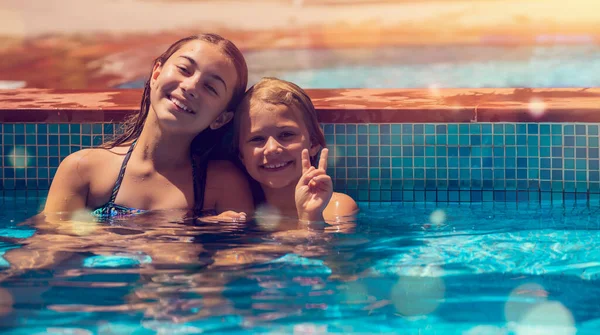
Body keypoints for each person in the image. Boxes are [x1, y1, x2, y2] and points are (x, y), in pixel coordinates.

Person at [43, 34, 253, 220]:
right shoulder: (84, 170)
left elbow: (240, 259)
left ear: (221, 119)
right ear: (156, 74)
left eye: (210, 87)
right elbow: (50, 251)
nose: (190, 87)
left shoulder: (223, 185)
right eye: (184, 69)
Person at [233, 77, 357, 224]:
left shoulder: (336, 207)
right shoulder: (237, 211)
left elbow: (321, 247)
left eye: (286, 135)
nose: (272, 149)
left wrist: (311, 217)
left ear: (313, 143)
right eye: (257, 139)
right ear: (241, 155)